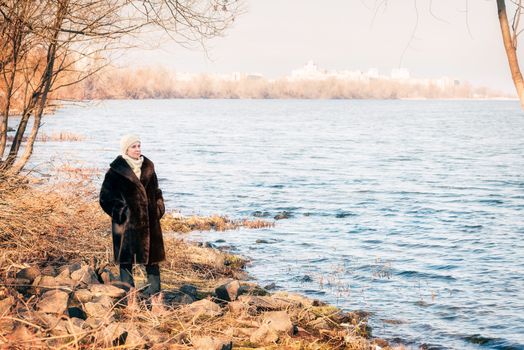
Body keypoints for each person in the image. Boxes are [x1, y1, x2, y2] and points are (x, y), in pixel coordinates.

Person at [99, 134, 166, 296]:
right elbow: (105, 198)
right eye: (133, 147)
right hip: (126, 224)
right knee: (126, 261)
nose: (138, 149)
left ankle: (155, 296)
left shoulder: (149, 168)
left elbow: (157, 192)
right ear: (126, 149)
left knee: (152, 260)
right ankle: (129, 297)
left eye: (139, 146)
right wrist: (121, 214)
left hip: (150, 222)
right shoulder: (115, 171)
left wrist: (158, 209)